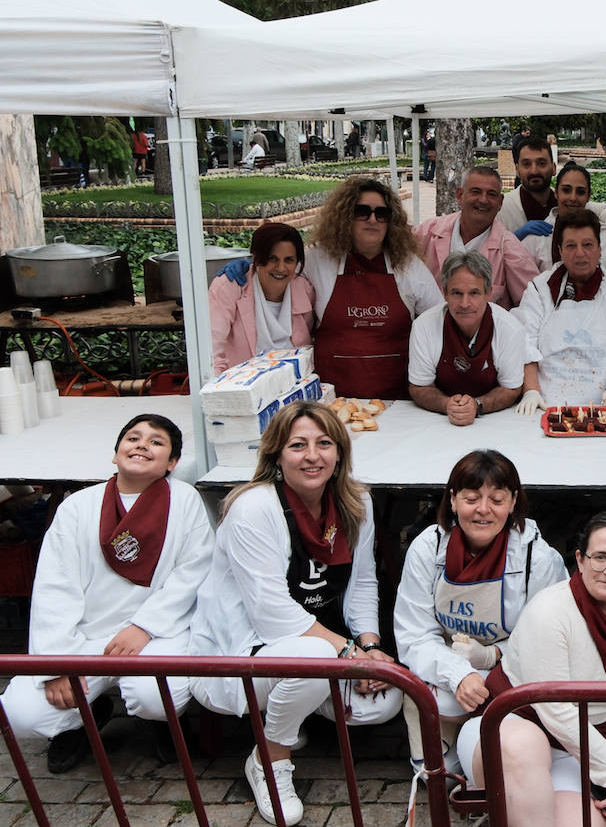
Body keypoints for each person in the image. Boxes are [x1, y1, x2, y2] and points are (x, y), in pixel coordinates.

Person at [190, 402, 402, 827]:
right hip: (242, 656)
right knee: (313, 658)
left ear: (340, 452)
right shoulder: (254, 509)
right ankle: (270, 759)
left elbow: (361, 583)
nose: (312, 456)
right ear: (276, 455)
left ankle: (295, 707)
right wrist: (348, 654)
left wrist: (369, 646)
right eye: (297, 445)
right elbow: (272, 615)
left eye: (324, 443)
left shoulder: (356, 502)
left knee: (384, 701)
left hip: (319, 646)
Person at [0, 414, 213, 774]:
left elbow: (194, 571)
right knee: (20, 711)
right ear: (115, 454)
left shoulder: (186, 500)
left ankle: (161, 722)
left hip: (159, 633)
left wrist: (144, 626)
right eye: (133, 437)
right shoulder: (77, 507)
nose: (143, 444)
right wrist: (58, 665)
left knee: (154, 696)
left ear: (172, 463)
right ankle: (84, 718)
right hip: (89, 634)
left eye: (157, 442)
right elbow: (55, 586)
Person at [457, 509, 606, 827]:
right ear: (580, 560)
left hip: (573, 749)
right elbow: (556, 709)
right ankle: (501, 802)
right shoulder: (550, 611)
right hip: (508, 729)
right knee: (526, 746)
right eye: (600, 557)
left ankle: (510, 811)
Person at [393, 449, 568, 780]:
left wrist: (492, 657)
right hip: (447, 664)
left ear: (514, 501)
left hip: (513, 670)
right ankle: (445, 747)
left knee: (504, 769)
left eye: (497, 499)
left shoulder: (538, 560)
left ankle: (501, 746)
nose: (483, 510)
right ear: (453, 500)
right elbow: (414, 634)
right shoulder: (427, 549)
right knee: (437, 772)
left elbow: (550, 639)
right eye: (472, 498)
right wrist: (457, 672)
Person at [302, 176, 443, 399]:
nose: (373, 219)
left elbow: (439, 319)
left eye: (382, 214)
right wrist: (248, 270)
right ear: (345, 217)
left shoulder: (408, 265)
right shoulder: (317, 260)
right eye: (362, 212)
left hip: (398, 399)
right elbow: (278, 279)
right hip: (332, 400)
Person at [514, 209, 606, 411]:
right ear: (560, 251)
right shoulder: (540, 288)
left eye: (588, 245)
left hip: (602, 407)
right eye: (571, 246)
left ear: (600, 249)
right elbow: (526, 345)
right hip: (545, 405)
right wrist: (531, 392)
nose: (580, 253)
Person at [408, 251, 531, 425]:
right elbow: (419, 386)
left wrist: (477, 405)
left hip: (493, 422)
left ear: (489, 293)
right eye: (457, 293)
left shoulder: (510, 329)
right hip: (437, 421)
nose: (465, 304)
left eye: (474, 293)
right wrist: (446, 404)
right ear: (445, 293)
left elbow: (510, 389)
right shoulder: (424, 326)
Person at [414, 165, 539, 308]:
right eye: (476, 192)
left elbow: (534, 304)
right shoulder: (428, 233)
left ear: (500, 202)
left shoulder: (510, 249)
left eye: (491, 194)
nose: (483, 200)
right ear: (460, 195)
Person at [210, 223, 316, 373]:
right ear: (256, 257)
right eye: (272, 259)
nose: (280, 268)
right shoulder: (229, 287)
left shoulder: (304, 290)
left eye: (288, 260)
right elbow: (211, 353)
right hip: (242, 386)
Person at [517, 163, 606, 278]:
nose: (573, 198)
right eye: (566, 190)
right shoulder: (537, 237)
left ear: (588, 196)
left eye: (580, 192)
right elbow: (525, 286)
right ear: (556, 193)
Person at [502, 137, 553, 223]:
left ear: (554, 168)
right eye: (526, 164)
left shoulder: (566, 203)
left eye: (541, 163)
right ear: (517, 170)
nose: (534, 171)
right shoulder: (502, 209)